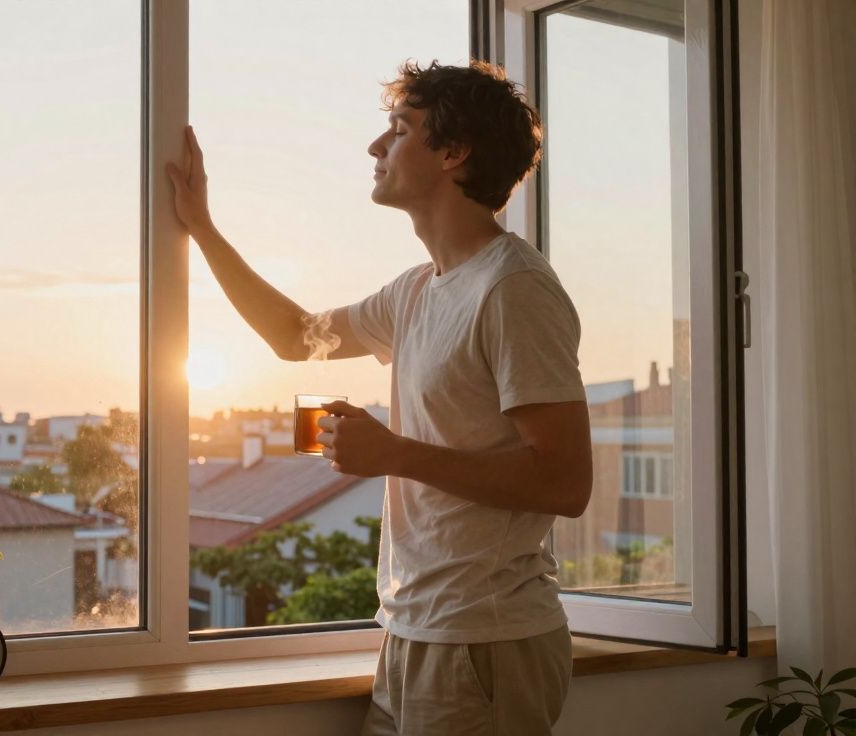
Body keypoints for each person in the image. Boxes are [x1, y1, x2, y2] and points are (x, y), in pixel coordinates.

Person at [166, 60, 592, 735]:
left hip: (484, 641)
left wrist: (392, 452)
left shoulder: (515, 289)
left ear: (453, 154)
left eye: (398, 131)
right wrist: (203, 229)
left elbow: (566, 481)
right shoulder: (415, 292)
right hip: (413, 634)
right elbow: (292, 336)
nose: (375, 148)